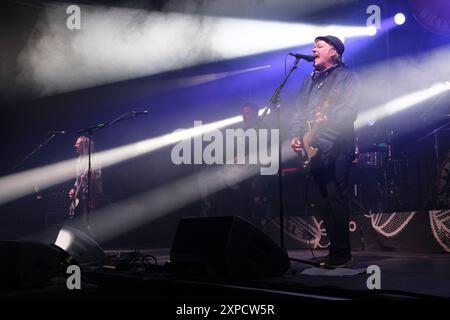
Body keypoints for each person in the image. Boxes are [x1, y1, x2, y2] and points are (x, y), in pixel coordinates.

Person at [290, 35, 360, 268]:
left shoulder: (346, 78)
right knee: (322, 201)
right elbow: (299, 112)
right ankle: (333, 252)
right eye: (313, 46)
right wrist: (298, 136)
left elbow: (349, 111)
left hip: (338, 145)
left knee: (335, 196)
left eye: (319, 46)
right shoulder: (309, 81)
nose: (313, 49)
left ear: (334, 52)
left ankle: (342, 254)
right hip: (315, 149)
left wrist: (325, 127)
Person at [68, 135, 103, 231]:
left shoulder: (94, 160)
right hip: (82, 195)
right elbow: (77, 180)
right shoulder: (79, 161)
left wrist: (91, 177)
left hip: (93, 195)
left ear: (85, 145)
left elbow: (97, 179)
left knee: (92, 223)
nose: (75, 145)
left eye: (78, 144)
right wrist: (73, 189)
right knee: (82, 223)